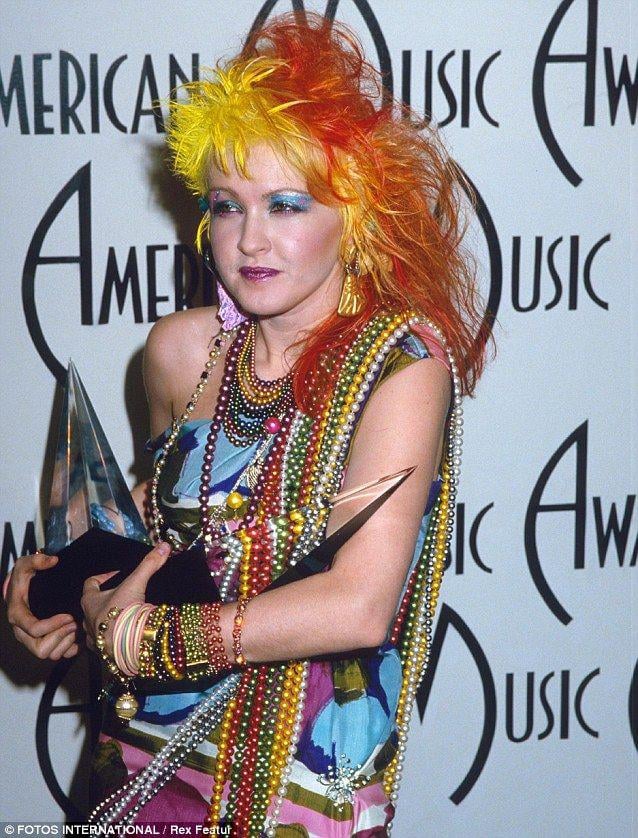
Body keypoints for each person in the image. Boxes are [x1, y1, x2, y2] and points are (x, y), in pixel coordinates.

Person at [5, 13, 488, 835]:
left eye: (287, 205)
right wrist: (52, 587)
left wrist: (147, 642)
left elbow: (359, 606)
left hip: (302, 788)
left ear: (356, 214)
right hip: (144, 763)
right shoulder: (178, 352)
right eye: (227, 207)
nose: (250, 240)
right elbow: (154, 533)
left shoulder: (401, 365)